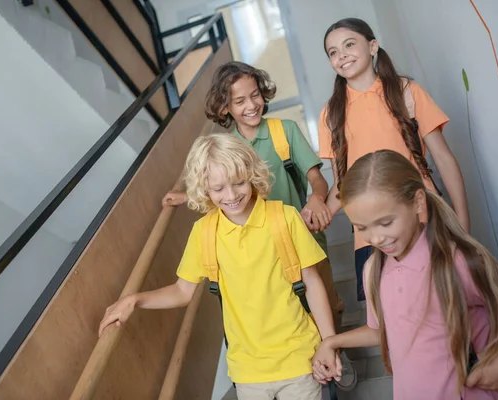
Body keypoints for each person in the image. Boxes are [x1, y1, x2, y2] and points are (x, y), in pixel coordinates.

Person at [100, 134, 339, 400]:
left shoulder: (284, 217)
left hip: (299, 358)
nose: (231, 195)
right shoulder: (204, 233)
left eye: (238, 183)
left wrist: (329, 342)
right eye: (218, 189)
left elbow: (313, 283)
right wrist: (134, 300)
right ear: (204, 190)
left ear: (252, 175)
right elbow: (182, 291)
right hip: (247, 370)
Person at [163, 61, 356, 390]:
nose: (251, 105)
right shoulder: (228, 149)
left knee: (322, 305)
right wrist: (186, 196)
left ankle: (334, 352)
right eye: (240, 101)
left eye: (255, 96)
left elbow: (315, 178)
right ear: (225, 106)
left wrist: (316, 199)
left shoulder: (284, 132)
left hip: (299, 238)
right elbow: (221, 185)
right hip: (261, 251)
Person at [311, 149, 498, 400]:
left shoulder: (456, 261)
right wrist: (331, 343)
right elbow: (382, 330)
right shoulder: (373, 272)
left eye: (386, 222)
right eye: (361, 228)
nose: (376, 238)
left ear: (418, 202)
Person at [318, 17, 470, 303]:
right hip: (369, 236)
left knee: (449, 309)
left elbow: (445, 160)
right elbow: (343, 187)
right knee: (395, 324)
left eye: (349, 44)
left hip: (422, 217)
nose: (342, 55)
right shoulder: (330, 114)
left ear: (372, 46)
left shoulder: (408, 93)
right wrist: (318, 213)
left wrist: (462, 224)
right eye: (333, 52)